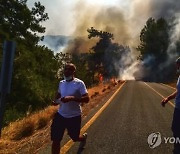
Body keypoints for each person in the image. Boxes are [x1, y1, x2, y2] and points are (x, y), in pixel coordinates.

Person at [51, 63, 90, 154]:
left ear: (73, 72)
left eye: (69, 69)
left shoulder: (79, 83)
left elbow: (87, 99)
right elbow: (59, 93)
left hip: (74, 116)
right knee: (56, 140)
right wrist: (55, 100)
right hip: (60, 115)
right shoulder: (61, 83)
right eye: (65, 69)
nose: (67, 71)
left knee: (75, 138)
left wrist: (72, 98)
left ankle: (83, 138)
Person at [161, 57, 180, 154]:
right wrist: (167, 98)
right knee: (175, 128)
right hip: (178, 107)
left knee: (176, 128)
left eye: (177, 64)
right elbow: (178, 91)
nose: (176, 66)